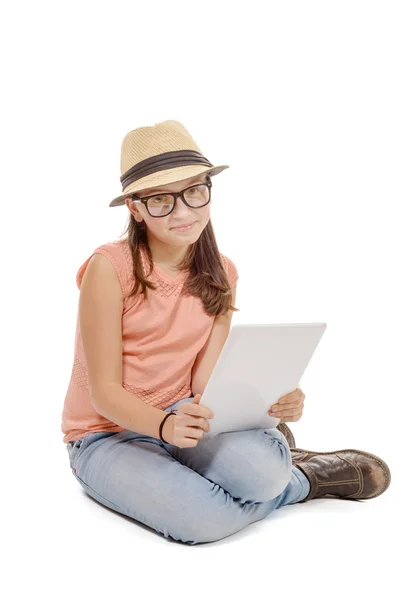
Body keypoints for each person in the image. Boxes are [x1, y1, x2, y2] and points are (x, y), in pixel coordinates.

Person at [61, 119, 391, 545]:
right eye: (161, 200)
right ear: (134, 207)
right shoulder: (110, 268)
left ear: (208, 191)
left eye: (195, 191)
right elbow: (103, 392)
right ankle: (302, 481)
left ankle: (272, 460)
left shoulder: (222, 272)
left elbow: (205, 379)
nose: (183, 211)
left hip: (188, 415)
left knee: (261, 474)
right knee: (204, 521)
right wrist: (164, 427)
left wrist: (270, 403)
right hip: (107, 436)